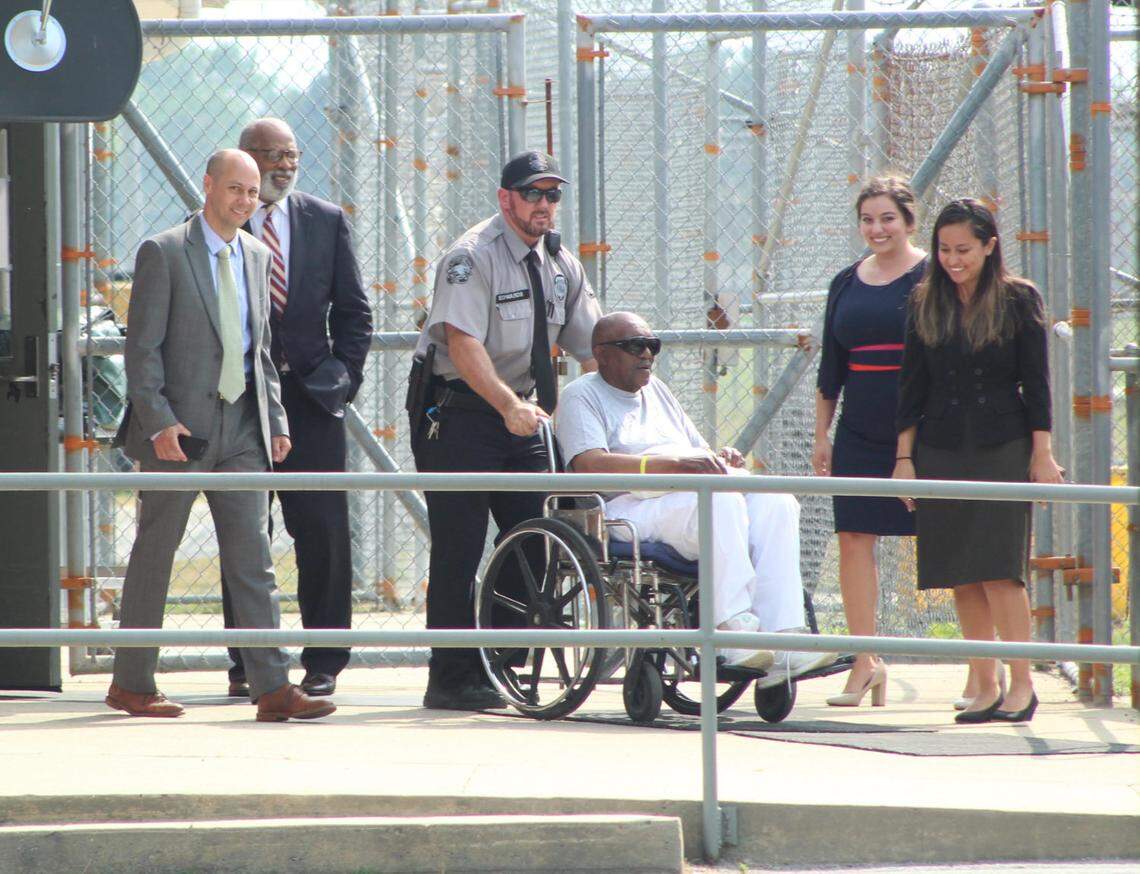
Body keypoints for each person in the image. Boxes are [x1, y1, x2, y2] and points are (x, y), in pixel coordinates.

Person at [106, 150, 335, 722]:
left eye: (252, 192)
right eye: (235, 188)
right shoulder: (163, 251)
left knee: (254, 559)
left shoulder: (256, 254)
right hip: (178, 434)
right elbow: (142, 349)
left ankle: (272, 688)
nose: (244, 201)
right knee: (155, 554)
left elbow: (261, 351)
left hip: (243, 431)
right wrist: (159, 421)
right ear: (208, 185)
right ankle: (131, 684)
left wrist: (275, 420)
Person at [411, 150, 603, 711]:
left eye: (552, 194)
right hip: (459, 411)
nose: (544, 204)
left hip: (522, 412)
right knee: (460, 545)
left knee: (535, 536)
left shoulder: (561, 262)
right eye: (532, 193)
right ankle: (450, 677)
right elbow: (463, 344)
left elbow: (592, 345)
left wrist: (609, 409)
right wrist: (507, 405)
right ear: (505, 199)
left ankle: (501, 663)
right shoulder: (472, 257)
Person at [556, 311, 837, 683]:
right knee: (718, 499)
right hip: (626, 507)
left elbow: (696, 451)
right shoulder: (581, 395)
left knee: (776, 500)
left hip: (685, 495)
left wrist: (718, 458)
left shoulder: (657, 390)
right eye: (635, 346)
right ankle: (731, 633)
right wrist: (671, 465)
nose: (647, 354)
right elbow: (590, 464)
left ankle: (784, 638)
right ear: (601, 354)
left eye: (652, 345)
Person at [216, 118, 373, 699]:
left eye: (291, 155)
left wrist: (340, 381)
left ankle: (325, 658)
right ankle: (247, 660)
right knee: (244, 532)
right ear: (244, 159)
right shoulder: (217, 224)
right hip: (240, 402)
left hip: (311, 400)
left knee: (323, 533)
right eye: (270, 155)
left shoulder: (325, 221)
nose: (282, 166)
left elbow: (355, 314)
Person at [893, 198, 1062, 724]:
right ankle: (985, 685)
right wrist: (904, 458)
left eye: (964, 249)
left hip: (1002, 445)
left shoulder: (1019, 299)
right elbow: (912, 386)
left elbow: (1036, 385)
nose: (952, 260)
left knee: (999, 571)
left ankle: (1022, 685)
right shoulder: (924, 301)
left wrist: (1042, 454)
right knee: (960, 572)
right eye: (944, 249)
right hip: (939, 446)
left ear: (990, 246)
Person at [813, 176, 925, 707]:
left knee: (949, 537)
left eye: (887, 218)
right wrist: (823, 434)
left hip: (923, 430)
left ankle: (984, 671)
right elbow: (831, 366)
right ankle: (865, 662)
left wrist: (911, 449)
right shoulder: (845, 281)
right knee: (854, 539)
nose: (876, 229)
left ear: (909, 221)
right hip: (858, 431)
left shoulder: (933, 275)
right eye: (867, 219)